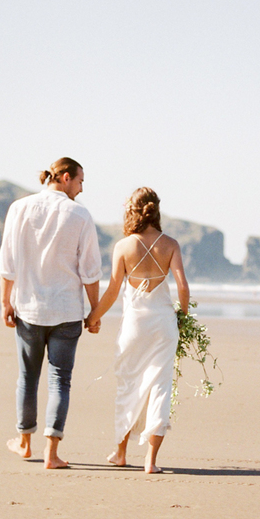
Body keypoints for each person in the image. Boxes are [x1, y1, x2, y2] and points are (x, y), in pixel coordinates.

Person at [0, 156, 102, 470]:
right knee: (60, 381)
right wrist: (95, 311)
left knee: (28, 378)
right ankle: (52, 454)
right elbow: (90, 271)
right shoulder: (80, 215)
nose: (82, 189)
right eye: (81, 181)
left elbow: (8, 263)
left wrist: (5, 302)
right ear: (66, 177)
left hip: (28, 307)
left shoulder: (19, 208)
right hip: (67, 310)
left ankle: (25, 443)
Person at [86, 186, 189, 474]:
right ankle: (151, 461)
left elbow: (111, 292)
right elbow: (182, 287)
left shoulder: (123, 246)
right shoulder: (171, 244)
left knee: (128, 385)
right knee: (160, 388)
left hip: (134, 327)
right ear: (156, 210)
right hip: (163, 326)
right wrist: (183, 315)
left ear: (132, 211)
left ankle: (120, 453)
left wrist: (92, 317)